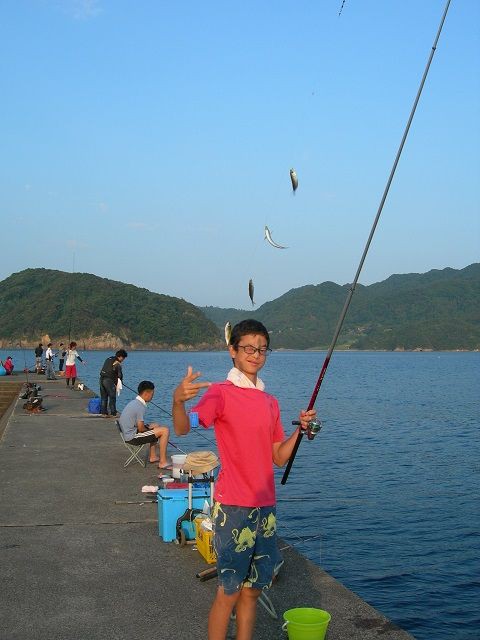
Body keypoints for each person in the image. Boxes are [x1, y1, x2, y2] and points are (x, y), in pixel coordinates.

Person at [172, 319, 317, 640]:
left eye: (262, 349)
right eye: (248, 348)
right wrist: (178, 401)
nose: (256, 354)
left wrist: (300, 431)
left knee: (253, 591)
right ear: (233, 352)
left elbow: (278, 456)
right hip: (234, 508)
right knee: (229, 591)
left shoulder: (270, 402)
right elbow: (184, 427)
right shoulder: (220, 394)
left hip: (265, 508)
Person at [118, 380, 171, 468]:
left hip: (129, 433)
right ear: (146, 393)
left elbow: (139, 426)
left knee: (155, 425)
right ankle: (163, 462)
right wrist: (151, 430)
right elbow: (142, 429)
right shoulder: (140, 406)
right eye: (152, 394)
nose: (152, 396)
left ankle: (153, 456)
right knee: (165, 430)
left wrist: (152, 428)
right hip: (132, 437)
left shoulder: (134, 402)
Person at [99, 349, 128, 417]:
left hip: (101, 378)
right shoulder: (117, 363)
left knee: (104, 397)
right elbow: (120, 374)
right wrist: (121, 382)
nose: (123, 360)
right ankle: (113, 413)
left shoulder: (108, 359)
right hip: (108, 381)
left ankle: (104, 413)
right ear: (120, 357)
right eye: (123, 358)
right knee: (112, 397)